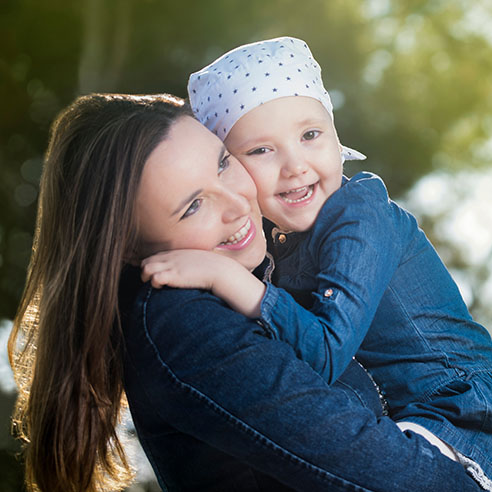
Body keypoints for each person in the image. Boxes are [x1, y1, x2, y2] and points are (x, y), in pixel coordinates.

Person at [8, 92, 482, 492]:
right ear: (130, 248)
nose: (237, 205)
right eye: (193, 205)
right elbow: (399, 477)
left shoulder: (253, 276)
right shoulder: (182, 321)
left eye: (223, 164)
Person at [143, 36, 492, 489]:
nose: (295, 166)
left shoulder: (361, 216)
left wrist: (222, 275)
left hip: (459, 413)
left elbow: (324, 352)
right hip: (404, 418)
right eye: (261, 151)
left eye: (310, 135)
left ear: (335, 135)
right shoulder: (274, 239)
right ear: (233, 169)